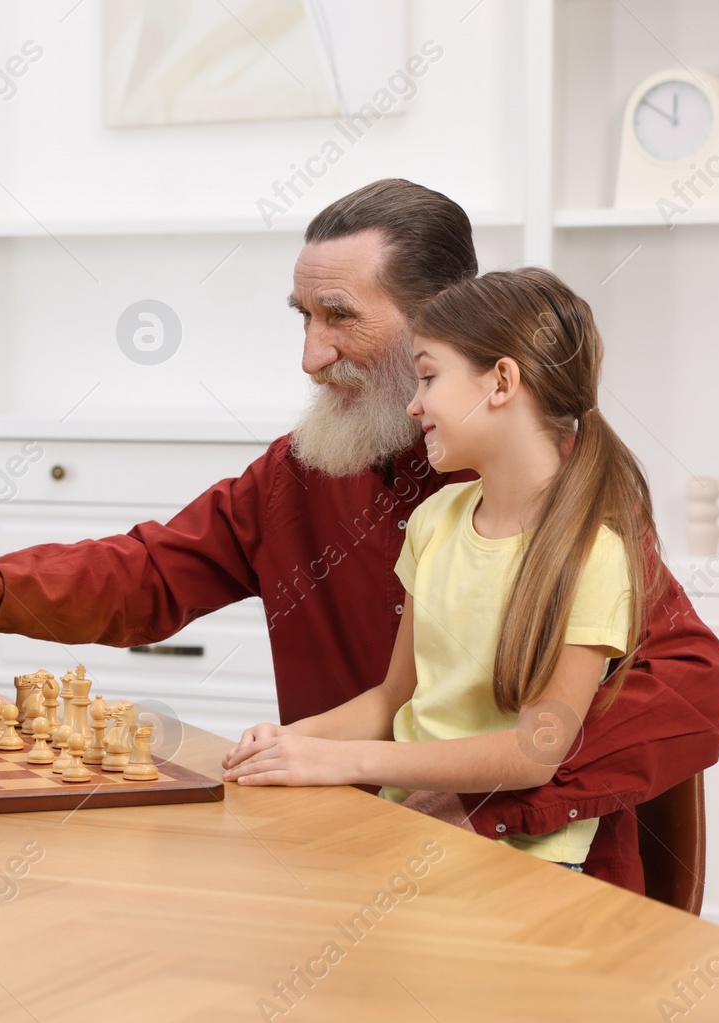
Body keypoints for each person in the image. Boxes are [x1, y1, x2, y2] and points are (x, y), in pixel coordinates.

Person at [0, 179, 719, 894]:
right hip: (344, 861)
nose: (311, 356)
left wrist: (488, 803)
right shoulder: (301, 472)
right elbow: (151, 569)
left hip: (539, 893)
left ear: (443, 322)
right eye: (302, 317)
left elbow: (690, 690)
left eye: (340, 316)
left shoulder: (569, 504)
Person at [221, 269, 647, 870]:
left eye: (427, 376)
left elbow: (536, 751)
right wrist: (294, 739)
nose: (412, 403)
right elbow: (395, 696)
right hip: (409, 829)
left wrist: (348, 762)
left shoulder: (594, 553)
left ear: (501, 382)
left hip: (521, 863)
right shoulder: (436, 520)